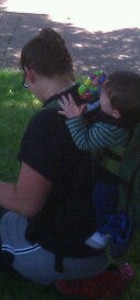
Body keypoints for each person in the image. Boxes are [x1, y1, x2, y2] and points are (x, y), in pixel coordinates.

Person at [0, 28, 134, 298]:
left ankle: (73, 281)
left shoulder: (47, 123)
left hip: (63, 253)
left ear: (30, 73)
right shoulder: (96, 101)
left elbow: (27, 205)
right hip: (103, 244)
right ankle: (93, 272)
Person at [58, 70, 140, 251]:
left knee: (102, 196)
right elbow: (99, 105)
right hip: (110, 169)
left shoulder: (111, 128)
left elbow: (84, 141)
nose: (100, 92)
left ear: (116, 113)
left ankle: (106, 230)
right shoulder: (123, 112)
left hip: (113, 177)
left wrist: (73, 118)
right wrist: (94, 93)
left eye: (104, 93)